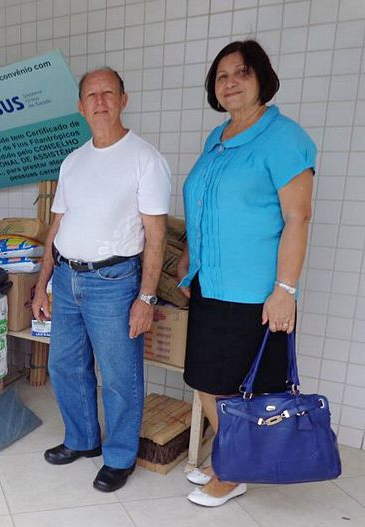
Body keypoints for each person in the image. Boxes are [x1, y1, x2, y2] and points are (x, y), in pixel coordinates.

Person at [177, 40, 315, 507]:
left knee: (236, 389)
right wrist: (189, 257)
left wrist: (285, 291)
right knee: (205, 379)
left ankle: (234, 470)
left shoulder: (284, 138)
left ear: (261, 80)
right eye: (221, 76)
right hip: (210, 283)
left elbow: (298, 217)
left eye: (241, 73)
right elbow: (208, 204)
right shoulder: (217, 138)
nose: (230, 82)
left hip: (253, 291)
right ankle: (230, 456)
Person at [32, 67, 171, 492]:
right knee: (64, 364)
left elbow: (156, 235)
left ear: (123, 100)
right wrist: (42, 283)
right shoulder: (72, 162)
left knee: (118, 375)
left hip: (113, 282)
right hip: (68, 281)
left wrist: (146, 297)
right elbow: (56, 226)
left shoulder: (145, 159)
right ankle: (83, 440)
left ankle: (120, 456)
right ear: (80, 106)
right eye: (91, 95)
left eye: (108, 93)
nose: (100, 101)